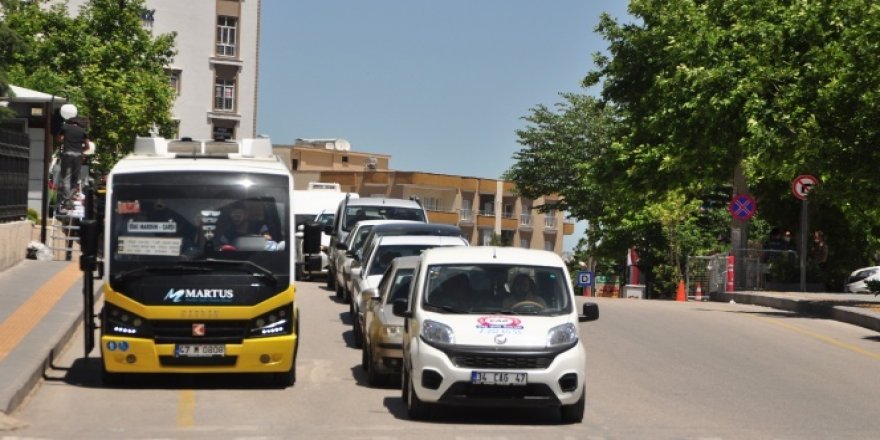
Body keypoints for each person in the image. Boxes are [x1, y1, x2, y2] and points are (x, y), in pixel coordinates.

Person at [55, 117, 90, 213]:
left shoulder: (65, 128)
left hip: (67, 155)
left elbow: (58, 139)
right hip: (78, 156)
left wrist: (65, 140)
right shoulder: (83, 131)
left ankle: (66, 201)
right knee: (74, 180)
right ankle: (69, 199)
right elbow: (87, 147)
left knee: (66, 178)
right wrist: (80, 151)